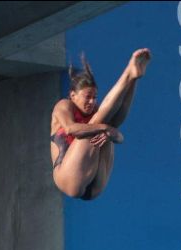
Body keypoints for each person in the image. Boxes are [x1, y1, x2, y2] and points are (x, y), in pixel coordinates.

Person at [50, 48, 151, 200]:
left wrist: (113, 134)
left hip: (95, 186)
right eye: (87, 97)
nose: (92, 101)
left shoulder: (97, 112)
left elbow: (118, 137)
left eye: (95, 97)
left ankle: (133, 79)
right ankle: (128, 74)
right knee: (99, 124)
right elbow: (72, 129)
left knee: (108, 123)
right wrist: (105, 129)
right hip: (69, 179)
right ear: (73, 95)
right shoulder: (64, 106)